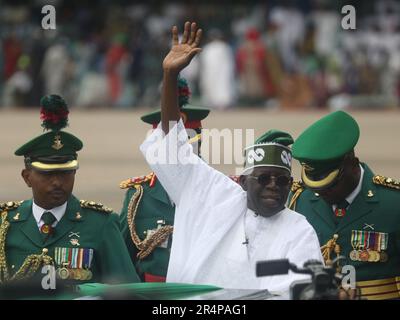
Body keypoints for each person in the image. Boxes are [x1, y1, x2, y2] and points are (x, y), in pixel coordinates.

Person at [139, 21, 322, 293]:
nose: (273, 184)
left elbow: (302, 286)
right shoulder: (211, 195)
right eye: (263, 178)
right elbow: (171, 147)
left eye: (282, 180)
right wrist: (169, 77)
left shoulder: (298, 230)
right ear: (243, 181)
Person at [0, 95, 139, 290]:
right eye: (48, 174)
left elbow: (128, 290)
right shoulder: (5, 224)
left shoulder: (100, 224)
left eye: (66, 173)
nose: (57, 182)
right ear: (27, 177)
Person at [289, 110, 400, 300]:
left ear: (352, 164)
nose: (322, 192)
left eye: (330, 185)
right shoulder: (302, 200)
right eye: (315, 185)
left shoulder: (393, 203)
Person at [119, 77, 211, 282]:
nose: (180, 151)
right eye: (171, 143)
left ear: (200, 142)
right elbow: (122, 261)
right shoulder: (138, 197)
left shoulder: (221, 191)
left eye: (187, 142)